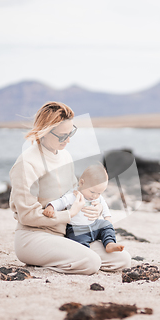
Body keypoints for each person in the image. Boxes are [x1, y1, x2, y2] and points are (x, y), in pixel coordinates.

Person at [9, 101, 131, 275]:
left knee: (122, 259)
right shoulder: (26, 163)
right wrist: (69, 214)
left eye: (70, 133)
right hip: (33, 237)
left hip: (67, 234)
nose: (67, 140)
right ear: (44, 131)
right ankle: (45, 265)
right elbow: (27, 216)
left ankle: (67, 256)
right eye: (61, 136)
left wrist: (93, 207)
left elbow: (75, 195)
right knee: (91, 262)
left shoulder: (65, 155)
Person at [42, 163, 125, 253]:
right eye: (92, 192)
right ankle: (85, 252)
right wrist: (51, 207)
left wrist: (107, 217)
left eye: (99, 193)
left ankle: (109, 243)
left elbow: (104, 205)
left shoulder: (97, 197)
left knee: (106, 225)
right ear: (81, 183)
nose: (95, 196)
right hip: (78, 229)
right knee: (80, 245)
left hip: (94, 226)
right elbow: (61, 202)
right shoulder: (73, 195)